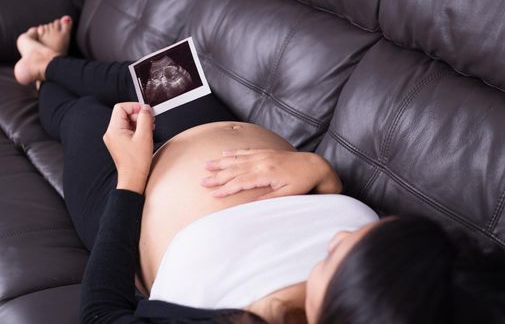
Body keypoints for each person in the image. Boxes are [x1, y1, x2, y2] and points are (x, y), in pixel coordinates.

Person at [13, 16, 505, 324]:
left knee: (83, 118)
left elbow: (100, 315)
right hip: (216, 133)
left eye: (334, 259)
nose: (334, 240)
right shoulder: (424, 281)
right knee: (167, 71)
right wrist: (317, 171)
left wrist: (131, 179)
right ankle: (50, 63)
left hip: (126, 204)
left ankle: (40, 76)